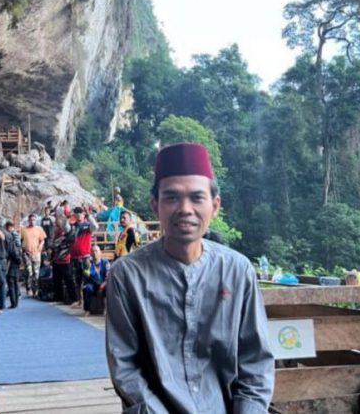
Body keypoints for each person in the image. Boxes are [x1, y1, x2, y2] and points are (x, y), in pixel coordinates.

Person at [106, 143, 274, 413]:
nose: (185, 209)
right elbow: (125, 367)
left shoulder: (237, 271)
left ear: (214, 205)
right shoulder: (127, 276)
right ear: (155, 205)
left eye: (197, 198)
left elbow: (255, 363)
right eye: (171, 198)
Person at [70, 207, 97, 307]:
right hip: (74, 258)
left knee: (88, 279)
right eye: (76, 213)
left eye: (80, 213)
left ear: (83, 214)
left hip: (85, 258)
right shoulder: (72, 226)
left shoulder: (87, 226)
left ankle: (88, 303)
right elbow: (64, 228)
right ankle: (79, 301)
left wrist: (89, 216)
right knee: (77, 280)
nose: (78, 215)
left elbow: (95, 226)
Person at [51, 215, 76, 304]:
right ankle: (59, 298)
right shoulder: (55, 233)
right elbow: (53, 246)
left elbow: (71, 237)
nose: (56, 225)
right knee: (57, 280)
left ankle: (73, 299)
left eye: (57, 224)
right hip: (56, 260)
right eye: (56, 224)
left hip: (66, 260)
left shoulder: (68, 232)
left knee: (69, 280)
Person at [20, 214, 46, 297]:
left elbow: (43, 240)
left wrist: (41, 245)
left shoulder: (39, 229)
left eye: (34, 220)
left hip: (36, 253)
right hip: (27, 253)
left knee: (36, 273)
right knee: (29, 271)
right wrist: (22, 249)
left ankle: (36, 290)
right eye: (31, 220)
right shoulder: (24, 230)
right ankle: (29, 288)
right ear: (28, 220)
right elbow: (19, 240)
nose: (32, 221)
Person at [83, 245, 110, 316]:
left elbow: (108, 276)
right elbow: (86, 276)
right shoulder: (88, 263)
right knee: (87, 288)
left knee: (109, 287)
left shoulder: (105, 262)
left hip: (103, 284)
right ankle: (87, 310)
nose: (95, 253)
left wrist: (103, 285)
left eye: (96, 251)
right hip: (93, 284)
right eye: (93, 251)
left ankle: (106, 309)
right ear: (91, 253)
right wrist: (87, 267)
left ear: (100, 252)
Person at [4, 221, 22, 308]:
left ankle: (13, 302)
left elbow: (11, 251)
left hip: (12, 261)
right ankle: (15, 302)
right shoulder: (17, 236)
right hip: (17, 261)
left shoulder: (10, 237)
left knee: (11, 282)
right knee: (15, 282)